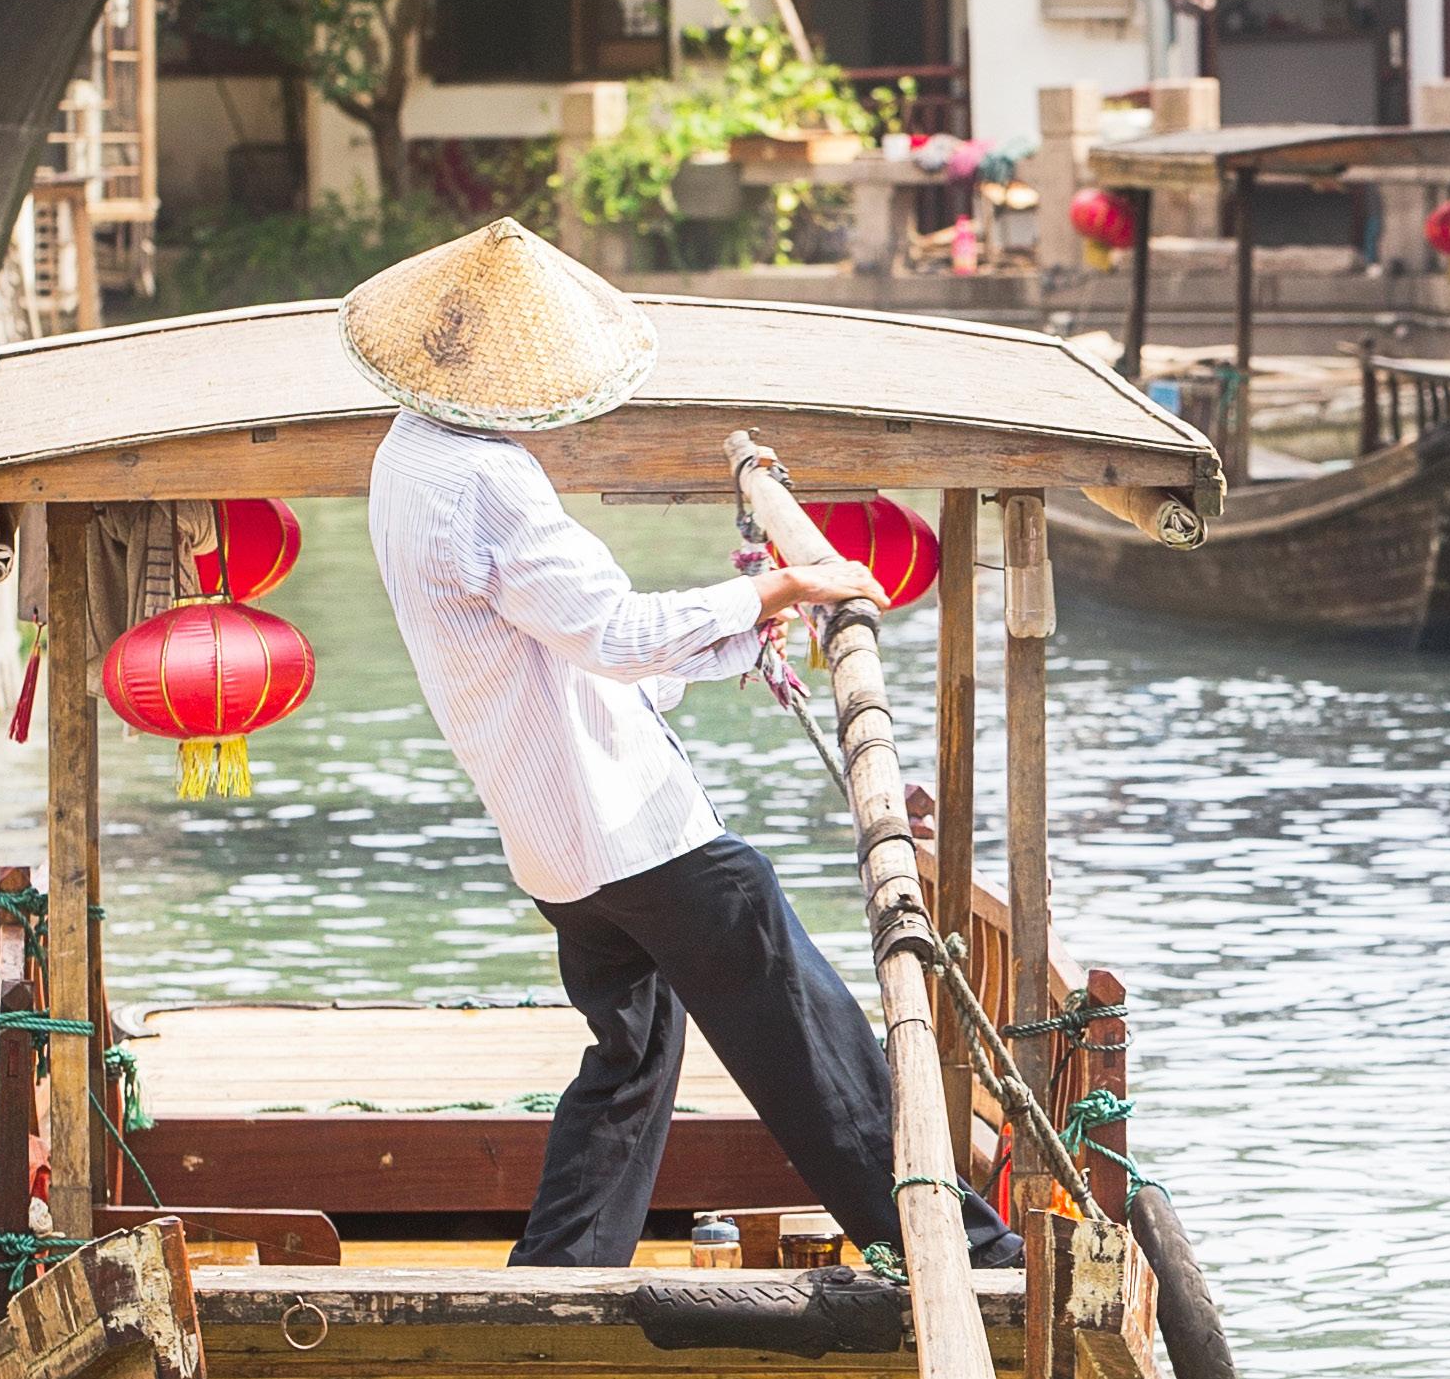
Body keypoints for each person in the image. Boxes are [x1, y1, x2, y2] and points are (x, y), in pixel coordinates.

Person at [338, 218, 1020, 1272]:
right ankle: (962, 1249)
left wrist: (744, 630)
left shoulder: (407, 454)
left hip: (559, 843)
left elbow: (577, 647)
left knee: (634, 1055)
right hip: (627, 829)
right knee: (801, 1026)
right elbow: (612, 635)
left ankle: (559, 1277)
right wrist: (779, 584)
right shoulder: (486, 478)